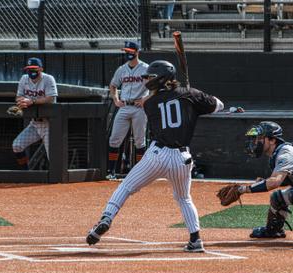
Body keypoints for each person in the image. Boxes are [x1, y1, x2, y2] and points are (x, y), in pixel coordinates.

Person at [86, 60, 225, 252]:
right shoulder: (189, 95)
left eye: (150, 77)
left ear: (161, 79)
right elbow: (219, 105)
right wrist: (196, 97)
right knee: (184, 198)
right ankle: (195, 240)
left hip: (158, 155)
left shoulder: (150, 103)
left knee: (126, 186)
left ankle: (106, 218)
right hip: (182, 158)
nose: (147, 80)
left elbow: (165, 101)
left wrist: (190, 98)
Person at [106, 41, 149, 179]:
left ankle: (140, 173)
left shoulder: (145, 68)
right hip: (124, 106)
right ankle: (111, 171)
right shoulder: (122, 69)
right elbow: (113, 85)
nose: (128, 53)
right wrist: (116, 100)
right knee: (114, 139)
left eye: (131, 51)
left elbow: (154, 88)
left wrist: (145, 99)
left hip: (139, 108)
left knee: (139, 141)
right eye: (127, 51)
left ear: (137, 52)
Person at [12, 57, 58, 170]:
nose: (31, 71)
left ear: (41, 69)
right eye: (29, 69)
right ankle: (26, 172)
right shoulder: (24, 79)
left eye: (34, 68)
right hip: (35, 124)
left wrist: (31, 101)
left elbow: (51, 98)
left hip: (49, 124)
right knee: (17, 145)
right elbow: (18, 96)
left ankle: (58, 182)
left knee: (52, 156)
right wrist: (22, 101)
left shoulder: (48, 79)